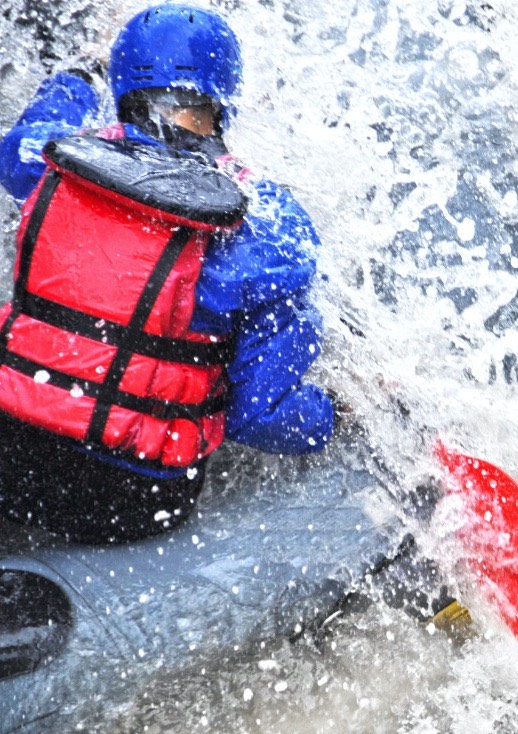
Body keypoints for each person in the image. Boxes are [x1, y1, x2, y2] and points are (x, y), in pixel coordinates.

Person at [0, 4, 335, 544]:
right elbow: (259, 418)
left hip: (10, 461)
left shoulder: (47, 158)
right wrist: (335, 414)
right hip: (129, 500)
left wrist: (79, 73)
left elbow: (33, 129)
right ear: (225, 99)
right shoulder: (265, 224)